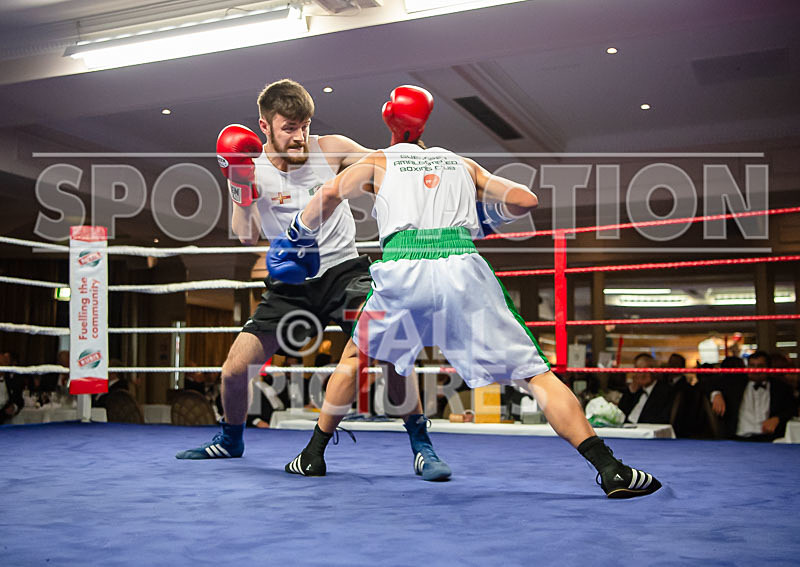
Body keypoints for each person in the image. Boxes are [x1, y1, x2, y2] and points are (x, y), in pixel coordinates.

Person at [267, 85, 661, 498]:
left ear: (388, 120)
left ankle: (313, 454)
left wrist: (298, 234)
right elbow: (525, 200)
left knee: (354, 359)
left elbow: (328, 193)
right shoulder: (460, 163)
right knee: (536, 375)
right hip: (462, 266)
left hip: (403, 270)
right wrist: (487, 221)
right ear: (425, 123)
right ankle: (610, 467)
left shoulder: (378, 161)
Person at [176, 79, 450, 481]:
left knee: (393, 348)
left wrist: (407, 137)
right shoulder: (250, 166)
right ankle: (232, 439)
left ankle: (422, 445)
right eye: (289, 127)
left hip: (344, 273)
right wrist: (238, 183)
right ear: (264, 126)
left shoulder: (330, 148)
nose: (300, 135)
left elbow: (391, 168)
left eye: (304, 125)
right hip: (291, 285)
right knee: (234, 369)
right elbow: (247, 234)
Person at [708, 350, 794, 441]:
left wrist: (777, 418)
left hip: (769, 439)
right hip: (738, 439)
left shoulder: (780, 388)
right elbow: (707, 383)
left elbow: (792, 409)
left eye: (760, 366)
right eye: (752, 366)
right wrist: (716, 394)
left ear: (768, 367)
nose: (755, 370)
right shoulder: (735, 384)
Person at [618, 353, 673, 425]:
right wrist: (631, 392)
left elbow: (659, 419)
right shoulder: (636, 391)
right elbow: (620, 412)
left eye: (645, 370)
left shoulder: (664, 391)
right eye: (638, 370)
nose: (642, 374)